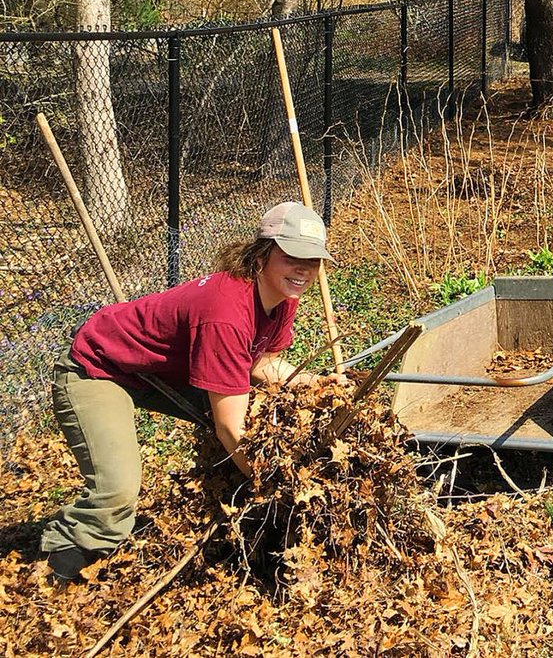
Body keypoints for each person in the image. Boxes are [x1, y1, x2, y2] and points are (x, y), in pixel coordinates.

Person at [41, 202, 334, 581]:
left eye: (312, 260)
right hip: (100, 369)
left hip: (158, 373)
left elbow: (261, 365)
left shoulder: (281, 298)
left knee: (268, 410)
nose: (304, 269)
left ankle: (231, 503)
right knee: (117, 491)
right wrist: (274, 486)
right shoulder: (226, 313)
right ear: (262, 254)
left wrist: (319, 384)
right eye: (292, 256)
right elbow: (231, 429)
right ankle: (64, 557)